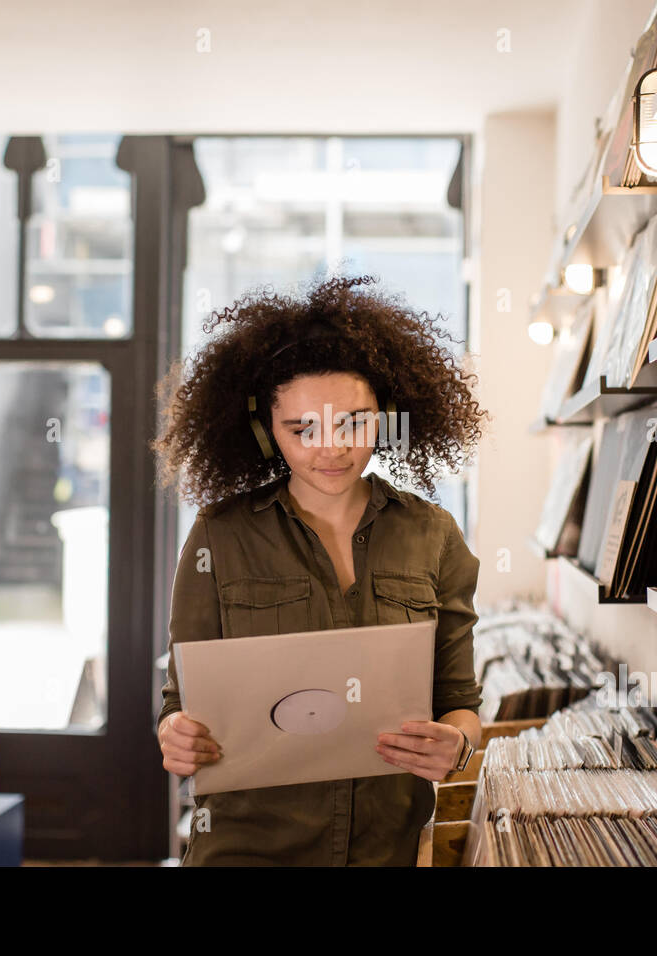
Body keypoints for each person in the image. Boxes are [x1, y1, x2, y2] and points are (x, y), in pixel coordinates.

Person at [151, 272, 490, 866]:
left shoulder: (434, 534)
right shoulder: (218, 535)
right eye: (301, 428)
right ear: (263, 430)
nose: (329, 449)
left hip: (386, 848)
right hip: (247, 848)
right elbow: (180, 703)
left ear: (386, 416)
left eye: (353, 422)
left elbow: (458, 700)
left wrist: (458, 745)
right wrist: (174, 734)